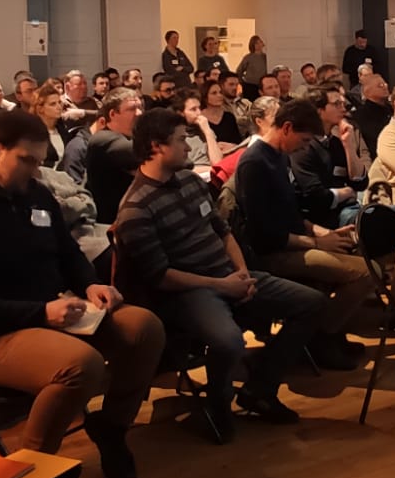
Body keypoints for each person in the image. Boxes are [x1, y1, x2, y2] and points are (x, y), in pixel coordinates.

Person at [0, 108, 163, 478]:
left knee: (145, 327)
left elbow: (66, 251)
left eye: (39, 161)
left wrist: (89, 283)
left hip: (49, 312)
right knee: (81, 364)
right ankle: (29, 475)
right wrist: (41, 312)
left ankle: (112, 427)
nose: (35, 170)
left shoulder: (35, 195)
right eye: (27, 160)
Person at [112, 110, 327, 434]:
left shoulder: (188, 181)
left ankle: (260, 389)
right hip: (190, 291)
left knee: (313, 303)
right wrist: (223, 285)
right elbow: (161, 277)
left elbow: (223, 231)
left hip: (228, 274)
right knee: (229, 342)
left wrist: (241, 273)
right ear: (156, 146)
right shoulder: (135, 209)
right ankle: (217, 401)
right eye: (182, 140)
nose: (189, 148)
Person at [232, 100, 373, 367]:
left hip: (291, 242)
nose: (305, 146)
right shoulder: (255, 163)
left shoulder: (278, 155)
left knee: (356, 253)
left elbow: (292, 213)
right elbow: (264, 234)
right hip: (271, 254)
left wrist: (325, 232)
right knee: (366, 273)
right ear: (286, 128)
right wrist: (318, 242)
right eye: (304, 139)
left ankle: (327, 333)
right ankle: (321, 336)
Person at [292, 87, 366, 226]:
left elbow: (360, 182)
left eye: (344, 104)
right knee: (373, 221)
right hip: (324, 216)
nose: (343, 109)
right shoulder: (303, 146)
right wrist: (347, 192)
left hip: (348, 207)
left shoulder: (336, 142)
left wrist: (348, 145)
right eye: (337, 104)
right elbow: (316, 196)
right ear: (319, 111)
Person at [82, 88, 142, 223]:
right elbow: (154, 156)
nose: (139, 113)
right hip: (112, 225)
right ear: (113, 114)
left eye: (140, 107)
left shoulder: (130, 138)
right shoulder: (103, 139)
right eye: (132, 108)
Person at [178, 93, 229, 170]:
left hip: (212, 174)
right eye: (193, 109)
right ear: (181, 113)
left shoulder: (205, 129)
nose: (199, 113)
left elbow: (217, 161)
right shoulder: (176, 135)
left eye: (199, 108)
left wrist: (207, 131)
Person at [352, 70, 395, 158]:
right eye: (380, 85)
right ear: (367, 92)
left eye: (385, 84)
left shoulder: (391, 109)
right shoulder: (362, 115)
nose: (385, 86)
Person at [201, 78, 243, 147]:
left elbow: (238, 142)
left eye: (220, 92)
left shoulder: (229, 117)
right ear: (205, 97)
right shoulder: (200, 119)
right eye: (214, 93)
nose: (219, 96)